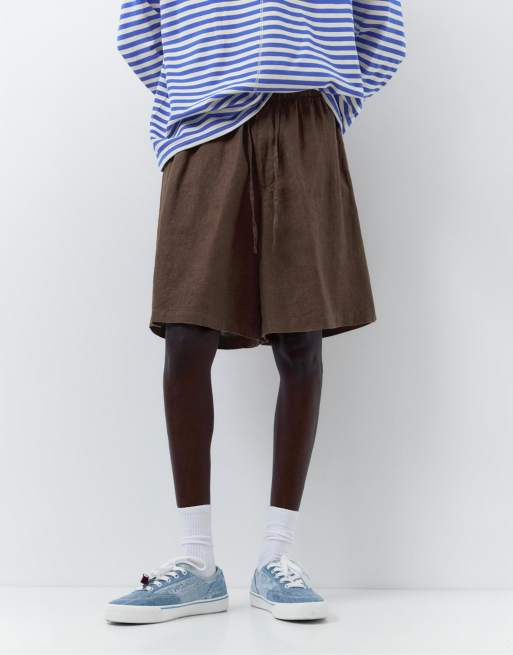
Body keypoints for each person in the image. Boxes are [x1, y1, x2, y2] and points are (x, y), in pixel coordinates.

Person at [106, 0, 405, 624]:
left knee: (301, 337)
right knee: (186, 331)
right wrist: (199, 80)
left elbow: (382, 24)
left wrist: (328, 99)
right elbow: (139, 29)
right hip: (201, 126)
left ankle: (278, 555)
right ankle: (196, 561)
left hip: (304, 118)